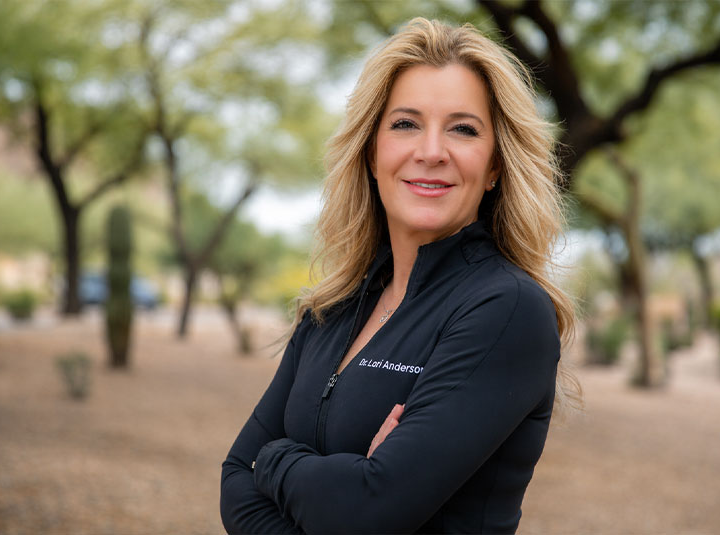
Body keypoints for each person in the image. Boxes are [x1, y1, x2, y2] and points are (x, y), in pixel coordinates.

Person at [220, 17, 581, 534]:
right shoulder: (332, 306)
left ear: (496, 165)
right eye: (405, 123)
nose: (431, 151)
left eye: (463, 129)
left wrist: (274, 460)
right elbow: (234, 476)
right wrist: (339, 482)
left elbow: (365, 513)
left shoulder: (508, 310)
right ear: (371, 152)